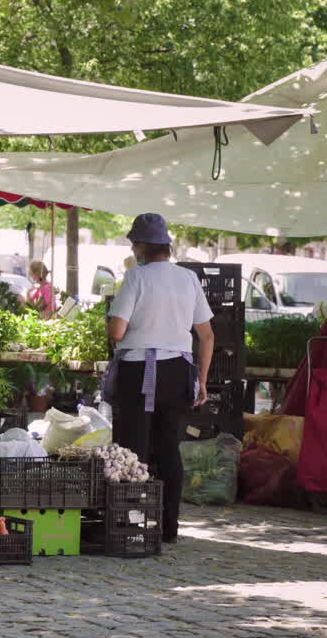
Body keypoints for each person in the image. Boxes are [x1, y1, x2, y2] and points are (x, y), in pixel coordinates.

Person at [104, 213, 213, 545]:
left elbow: (118, 331)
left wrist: (111, 323)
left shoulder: (136, 278)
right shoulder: (188, 279)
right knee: (169, 447)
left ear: (140, 246)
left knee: (132, 449)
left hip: (139, 372)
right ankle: (169, 528)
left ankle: (131, 525)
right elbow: (207, 335)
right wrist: (203, 381)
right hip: (178, 372)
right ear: (166, 245)